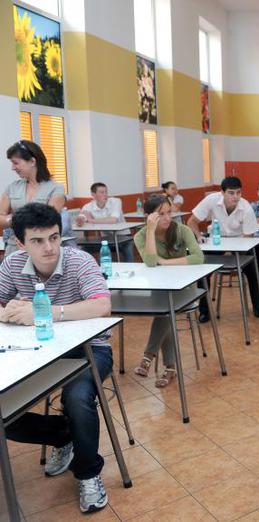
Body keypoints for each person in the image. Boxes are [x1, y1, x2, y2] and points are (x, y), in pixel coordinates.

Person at [0, 203, 113, 513]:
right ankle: (63, 435)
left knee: (77, 398)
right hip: (37, 351)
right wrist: (8, 312)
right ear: (20, 243)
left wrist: (46, 312)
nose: (49, 248)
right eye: (37, 241)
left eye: (53, 238)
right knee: (4, 408)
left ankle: (88, 473)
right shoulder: (12, 264)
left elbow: (102, 305)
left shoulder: (79, 261)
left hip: (89, 349)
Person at [132, 195, 204, 387]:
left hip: (185, 289)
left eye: (169, 213)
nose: (167, 218)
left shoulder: (182, 230)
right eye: (161, 214)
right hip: (159, 290)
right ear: (149, 216)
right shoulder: (140, 236)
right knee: (166, 310)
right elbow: (150, 262)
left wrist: (165, 262)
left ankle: (148, 356)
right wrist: (150, 230)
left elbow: (198, 257)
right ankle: (170, 368)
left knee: (165, 311)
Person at [187, 176, 259, 320]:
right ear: (222, 193)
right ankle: (204, 311)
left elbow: (248, 237)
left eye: (238, 192)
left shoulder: (246, 208)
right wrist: (198, 236)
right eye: (231, 193)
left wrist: (233, 254)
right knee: (203, 272)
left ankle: (258, 307)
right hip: (216, 241)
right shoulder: (211, 200)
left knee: (253, 269)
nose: (235, 196)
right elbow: (191, 221)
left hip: (240, 243)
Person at [1, 140, 66, 254]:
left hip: (44, 250)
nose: (13, 168)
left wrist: (12, 219)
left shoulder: (56, 188)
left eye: (16, 163)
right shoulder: (12, 187)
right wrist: (14, 219)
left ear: (32, 161)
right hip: (14, 249)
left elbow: (48, 220)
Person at [76, 182, 135, 262]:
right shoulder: (88, 206)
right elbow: (81, 218)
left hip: (124, 237)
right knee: (84, 248)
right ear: (93, 195)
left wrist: (92, 220)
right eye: (102, 192)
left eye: (106, 192)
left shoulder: (116, 201)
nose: (105, 195)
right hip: (105, 239)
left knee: (128, 248)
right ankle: (94, 269)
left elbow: (113, 220)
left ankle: (131, 267)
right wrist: (80, 220)